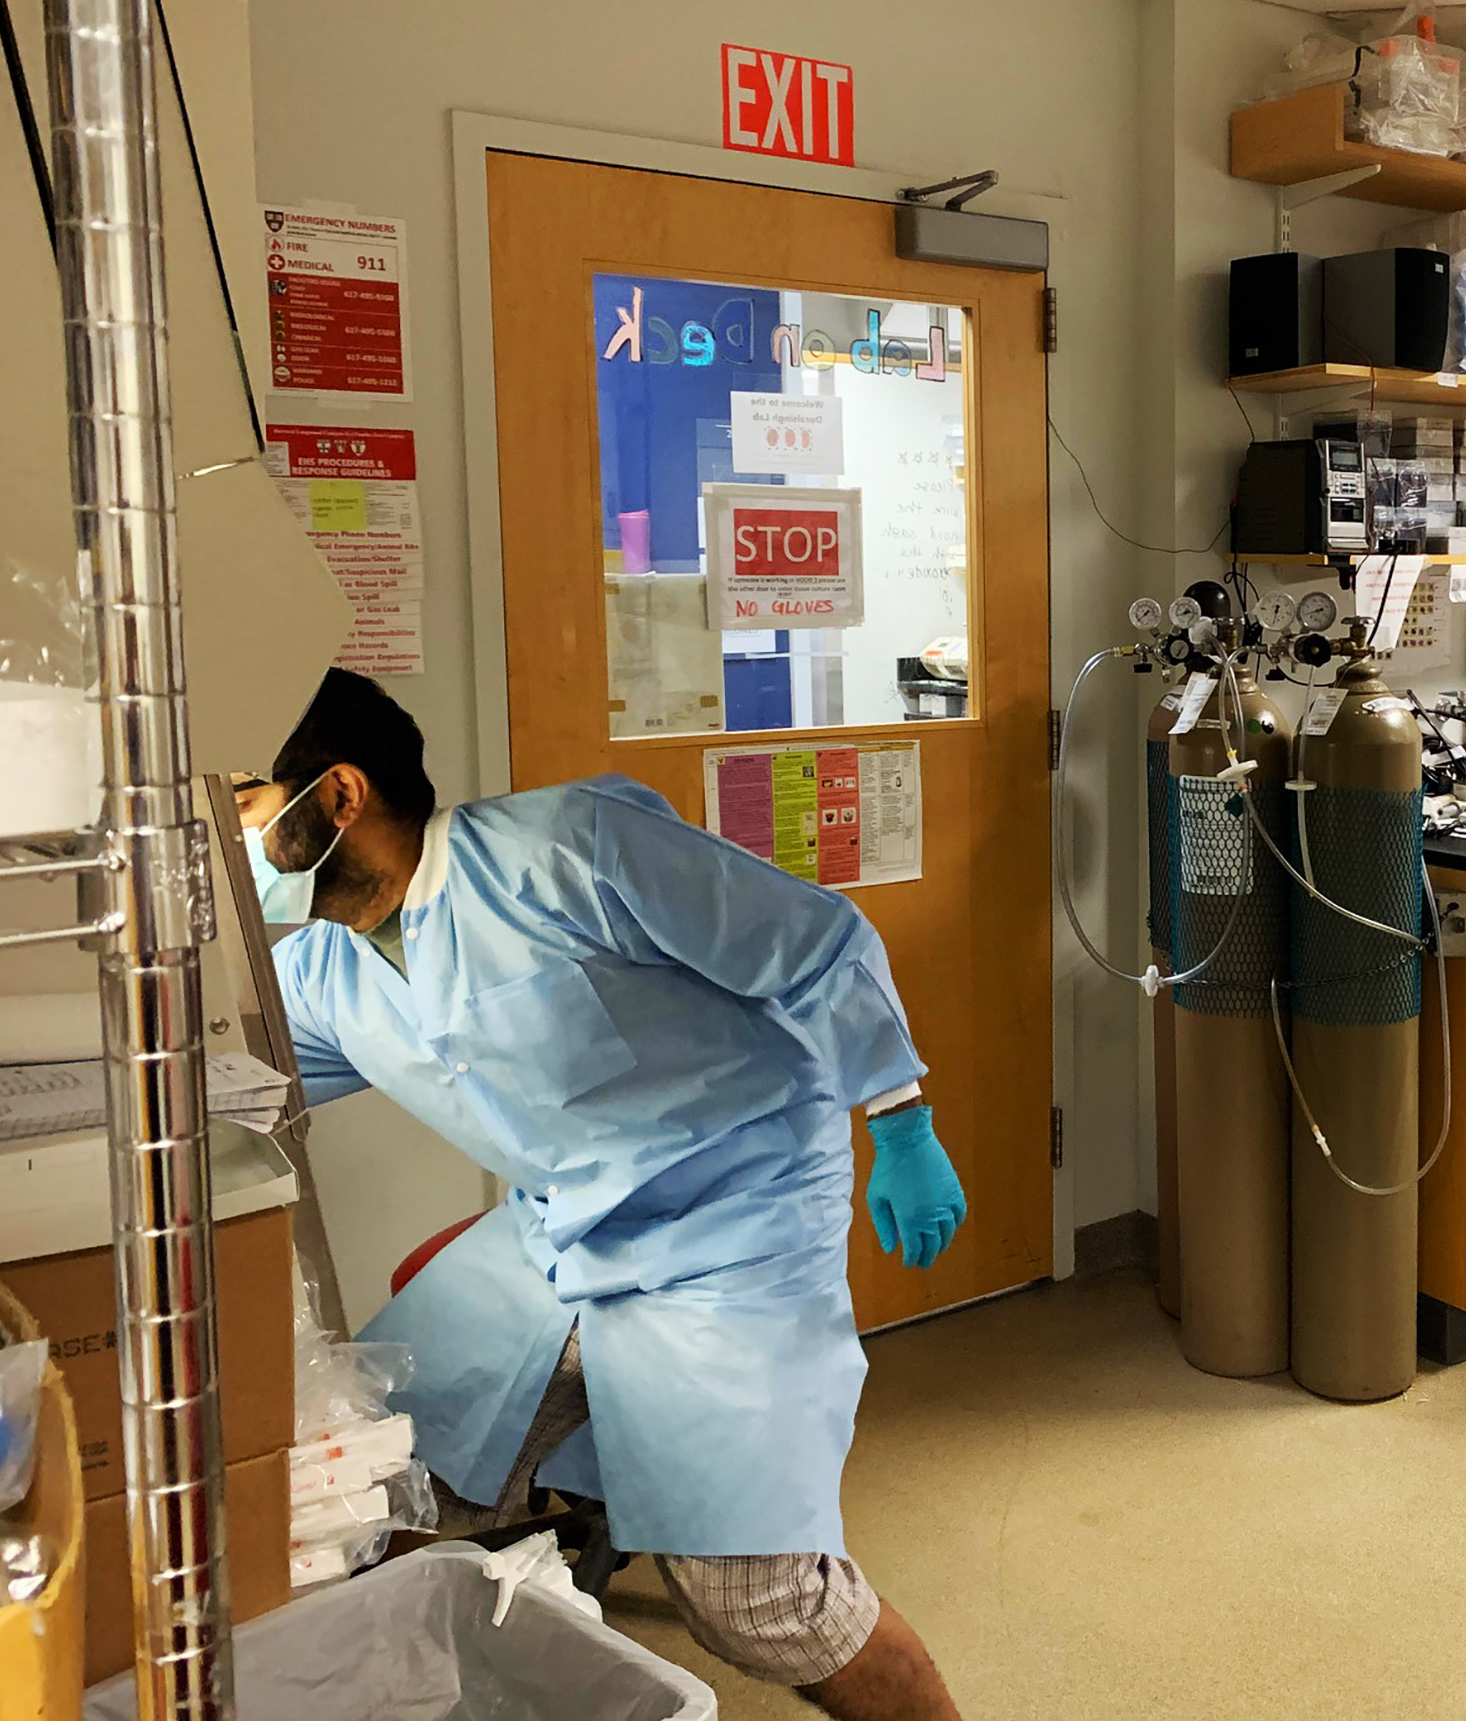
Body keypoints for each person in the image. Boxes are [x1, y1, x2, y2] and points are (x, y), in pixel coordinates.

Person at [239, 669, 969, 1719]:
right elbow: (243, 1087)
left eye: (247, 808)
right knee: (365, 1477)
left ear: (339, 797)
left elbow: (813, 940)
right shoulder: (323, 968)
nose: (231, 843)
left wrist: (899, 1118)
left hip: (731, 1221)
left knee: (759, 1603)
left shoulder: (566, 849)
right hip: (556, 1233)